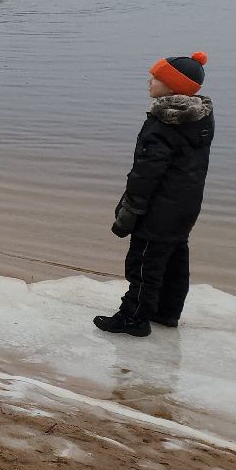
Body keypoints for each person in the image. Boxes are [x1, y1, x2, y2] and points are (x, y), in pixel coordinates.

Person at [95, 52, 214, 338]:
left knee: (144, 262)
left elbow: (147, 175)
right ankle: (166, 312)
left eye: (157, 78)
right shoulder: (199, 119)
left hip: (159, 209)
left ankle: (134, 317)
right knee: (173, 258)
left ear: (173, 87)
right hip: (185, 207)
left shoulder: (164, 123)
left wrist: (130, 210)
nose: (149, 81)